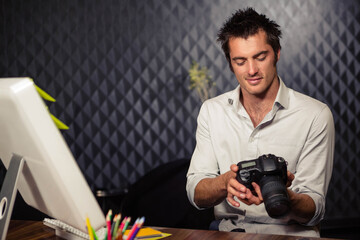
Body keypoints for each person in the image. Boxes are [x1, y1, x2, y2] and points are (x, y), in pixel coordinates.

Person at [186, 8, 335, 237]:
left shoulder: (315, 115)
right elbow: (196, 193)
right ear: (230, 63)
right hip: (229, 234)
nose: (252, 70)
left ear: (277, 52)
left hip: (290, 235)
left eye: (260, 57)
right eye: (240, 61)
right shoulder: (212, 111)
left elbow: (314, 209)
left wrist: (285, 196)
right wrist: (225, 182)